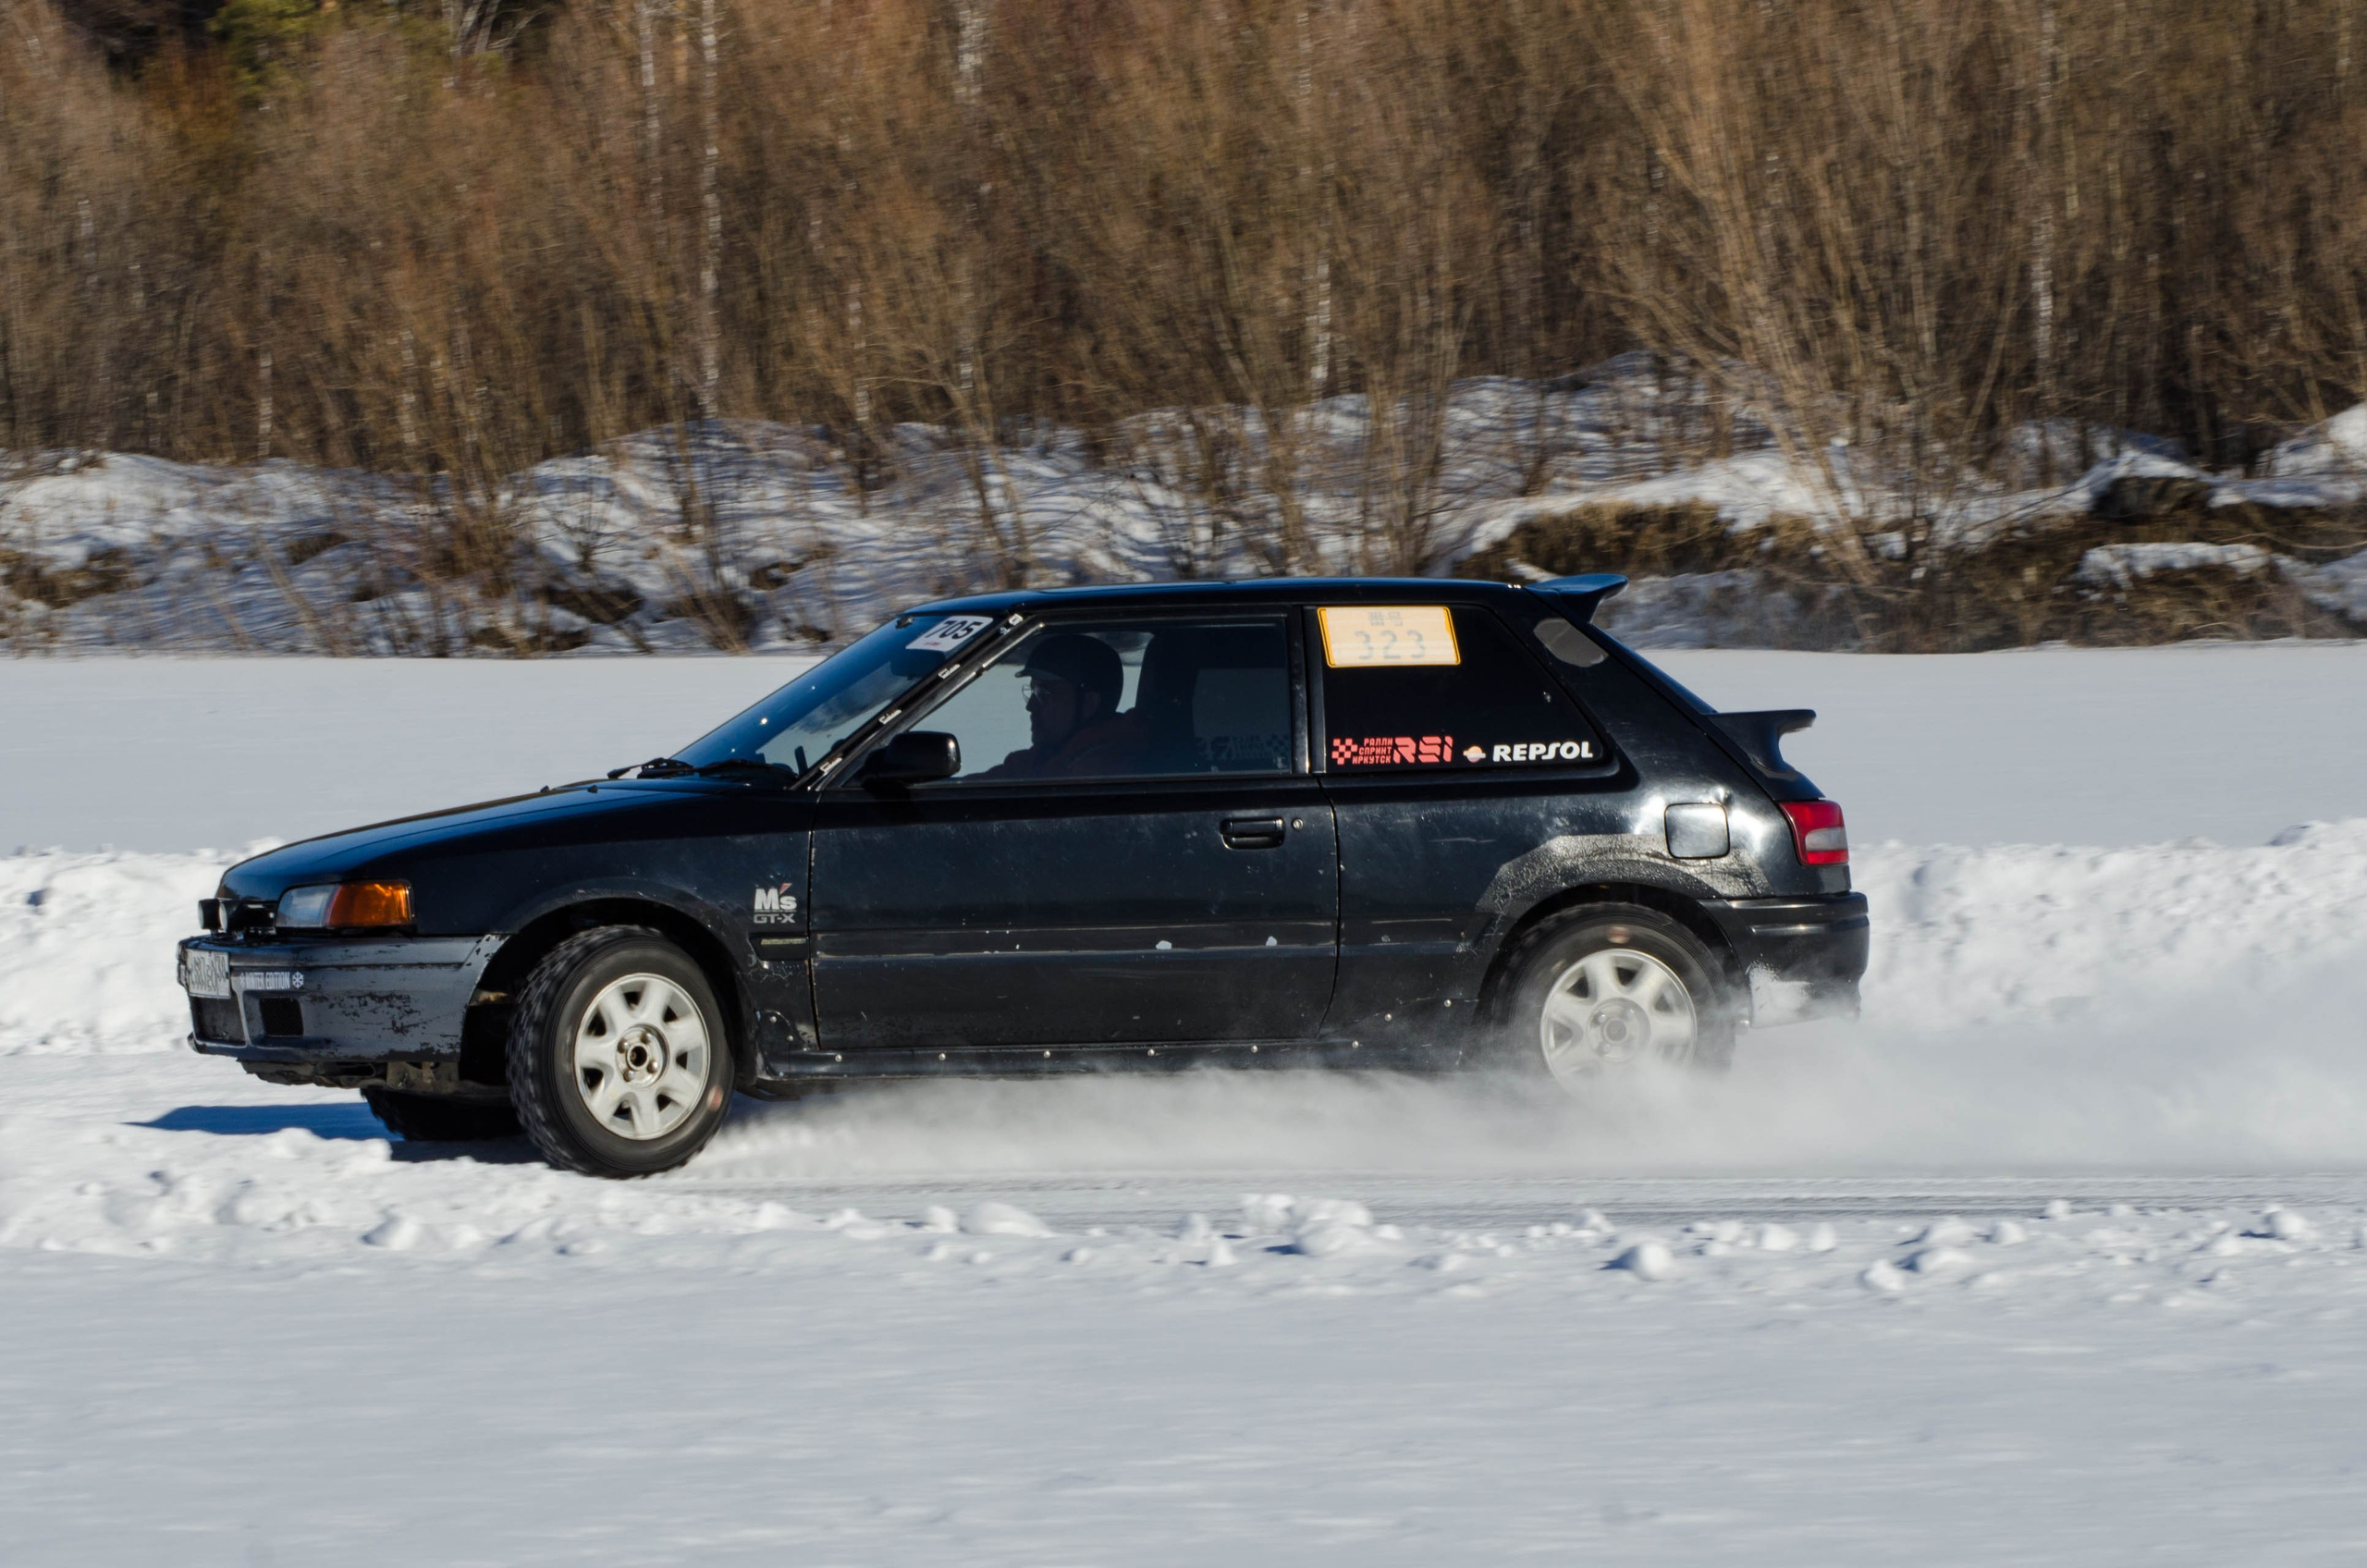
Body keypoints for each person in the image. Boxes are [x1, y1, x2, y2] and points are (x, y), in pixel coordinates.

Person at [975, 633, 1147, 780]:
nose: (1031, 706)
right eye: (1033, 691)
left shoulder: (1098, 773)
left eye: (1044, 693)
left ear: (1089, 704)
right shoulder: (1051, 756)